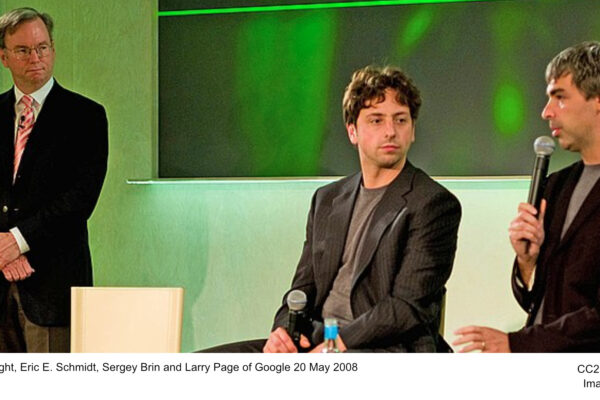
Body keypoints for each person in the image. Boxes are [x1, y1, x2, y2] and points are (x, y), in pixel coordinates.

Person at [204, 65, 461, 352]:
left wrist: (335, 345)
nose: (390, 131)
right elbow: (302, 290)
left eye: (400, 120)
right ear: (353, 131)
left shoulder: (433, 203)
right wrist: (283, 332)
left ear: (412, 130)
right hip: (316, 341)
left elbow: (406, 308)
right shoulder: (327, 199)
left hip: (383, 350)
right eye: (376, 120)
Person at [454, 41, 600, 353]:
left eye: (559, 98)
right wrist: (527, 262)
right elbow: (536, 303)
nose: (546, 112)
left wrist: (516, 343)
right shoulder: (556, 185)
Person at [0, 8, 108, 352]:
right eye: (23, 50)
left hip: (52, 288)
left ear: (53, 50)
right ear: (3, 57)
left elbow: (78, 201)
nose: (36, 57)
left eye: (42, 47)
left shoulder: (86, 116)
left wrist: (16, 241)